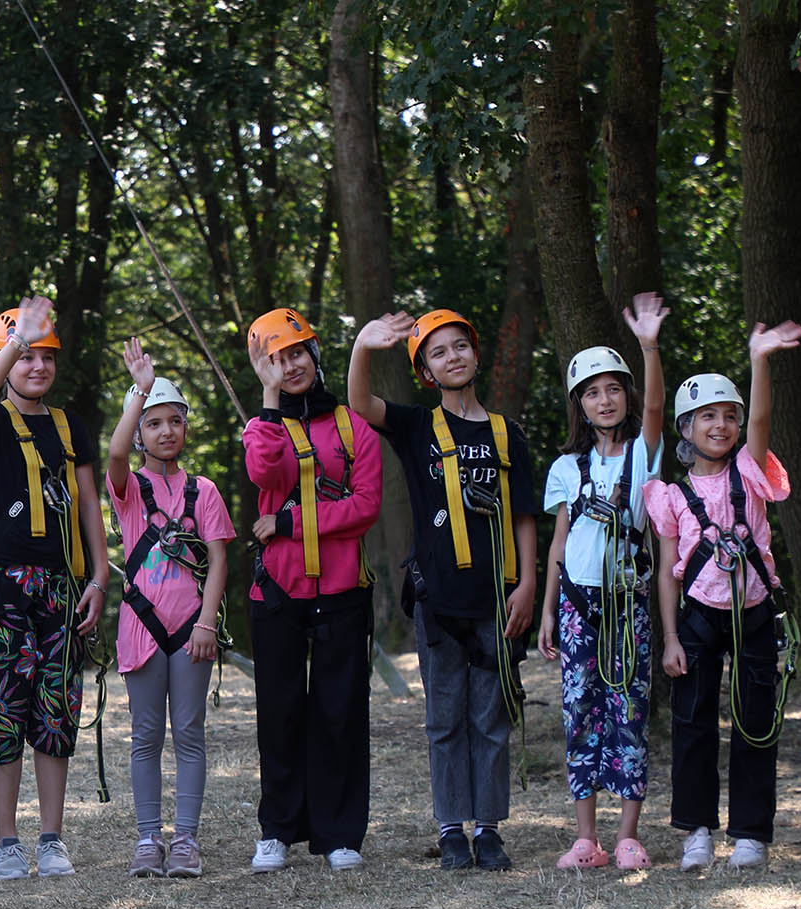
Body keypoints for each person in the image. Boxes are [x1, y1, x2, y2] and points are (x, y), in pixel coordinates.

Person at [349, 308, 536, 871]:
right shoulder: (416, 427)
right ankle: (452, 827)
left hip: (497, 599)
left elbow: (525, 515)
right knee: (445, 716)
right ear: (425, 371)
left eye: (460, 347)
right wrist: (363, 345)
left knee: (492, 716)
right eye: (438, 352)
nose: (452, 357)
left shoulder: (506, 433)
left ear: (476, 355)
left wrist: (527, 583)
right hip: (439, 600)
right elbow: (360, 405)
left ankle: (491, 828)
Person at [645, 321, 801, 871]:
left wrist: (758, 358)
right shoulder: (671, 494)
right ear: (687, 428)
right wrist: (669, 637)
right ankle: (697, 831)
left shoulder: (749, 470)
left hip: (754, 611)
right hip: (696, 618)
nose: (722, 424)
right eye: (708, 416)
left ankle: (752, 833)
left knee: (756, 720)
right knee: (692, 724)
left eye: (728, 415)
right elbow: (667, 570)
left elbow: (761, 417)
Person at [0, 297, 109, 880]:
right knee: (3, 710)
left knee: (55, 712)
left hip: (61, 587)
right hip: (3, 586)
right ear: (6, 359)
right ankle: (6, 841)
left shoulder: (70, 426)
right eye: (25, 357)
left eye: (47, 356)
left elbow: (89, 507)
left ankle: (51, 837)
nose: (37, 367)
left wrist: (98, 576)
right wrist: (16, 340)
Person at [244, 307, 383, 873]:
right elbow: (263, 473)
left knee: (339, 710)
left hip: (344, 589)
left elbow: (366, 506)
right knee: (279, 714)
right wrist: (269, 401)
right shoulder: (263, 426)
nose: (291, 365)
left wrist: (290, 523)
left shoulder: (353, 427)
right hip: (278, 592)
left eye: (297, 353)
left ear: (316, 356)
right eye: (278, 358)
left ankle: (339, 832)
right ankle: (277, 829)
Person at [537, 295, 668, 870]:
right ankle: (585, 838)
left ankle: (627, 836)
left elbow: (660, 410)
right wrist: (546, 611)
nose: (605, 398)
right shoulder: (567, 468)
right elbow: (559, 545)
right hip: (576, 603)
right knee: (579, 710)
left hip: (627, 603)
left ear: (627, 395)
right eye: (592, 392)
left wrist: (647, 346)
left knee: (629, 710)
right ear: (580, 406)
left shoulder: (645, 456)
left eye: (614, 388)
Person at [107, 339, 231, 878]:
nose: (165, 431)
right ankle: (146, 840)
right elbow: (112, 455)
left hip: (191, 632)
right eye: (153, 423)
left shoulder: (203, 490)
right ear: (139, 433)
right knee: (146, 735)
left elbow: (220, 559)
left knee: (189, 731)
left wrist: (207, 621)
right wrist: (139, 387)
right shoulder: (129, 487)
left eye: (174, 421)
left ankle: (186, 840)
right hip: (142, 628)